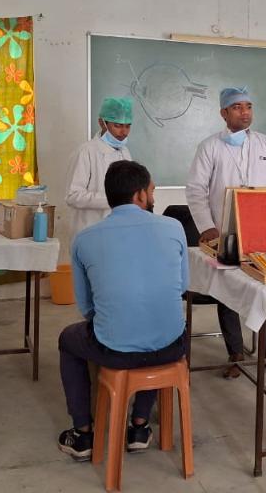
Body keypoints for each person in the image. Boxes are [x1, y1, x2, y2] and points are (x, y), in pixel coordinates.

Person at [57, 160, 188, 461]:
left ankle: (82, 433)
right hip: (171, 347)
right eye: (152, 191)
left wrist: (119, 321)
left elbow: (86, 307)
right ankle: (139, 427)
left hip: (114, 350)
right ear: (140, 195)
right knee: (162, 326)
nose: (153, 197)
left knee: (68, 339)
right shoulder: (174, 228)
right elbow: (182, 287)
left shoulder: (85, 239)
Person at [185, 86, 266, 379]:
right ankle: (235, 352)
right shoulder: (209, 147)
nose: (244, 113)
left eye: (248, 106)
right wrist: (207, 227)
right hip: (225, 232)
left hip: (263, 233)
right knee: (227, 288)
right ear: (223, 113)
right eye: (237, 107)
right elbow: (196, 190)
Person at [65, 97, 134, 236]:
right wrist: (114, 199)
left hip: (118, 231)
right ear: (102, 123)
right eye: (118, 125)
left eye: (127, 126)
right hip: (90, 231)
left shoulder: (125, 152)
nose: (124, 132)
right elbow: (73, 196)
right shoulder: (86, 152)